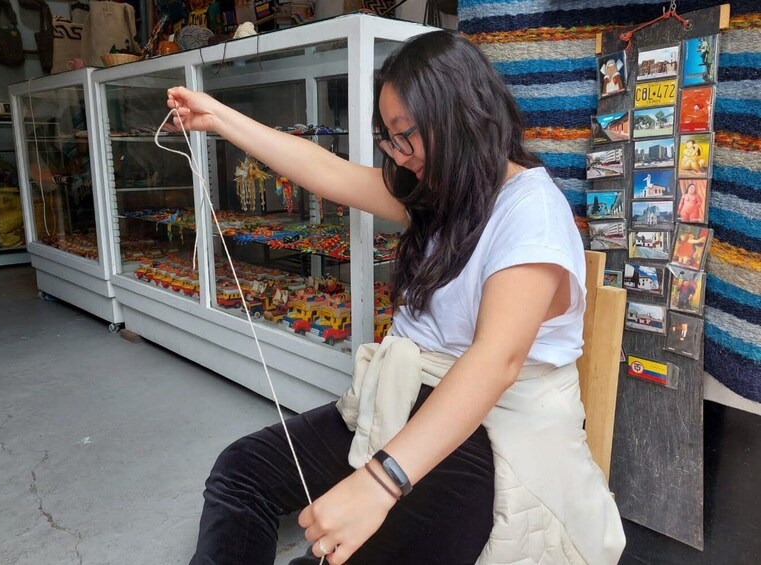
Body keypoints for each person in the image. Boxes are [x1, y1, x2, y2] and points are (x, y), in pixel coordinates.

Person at [167, 30, 624, 565]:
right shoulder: (445, 191)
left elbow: (495, 361)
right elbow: (328, 173)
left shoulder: (532, 213)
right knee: (241, 472)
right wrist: (219, 118)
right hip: (403, 396)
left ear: (463, 118)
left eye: (407, 136)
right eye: (389, 137)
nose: (399, 155)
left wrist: (381, 482)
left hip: (485, 427)